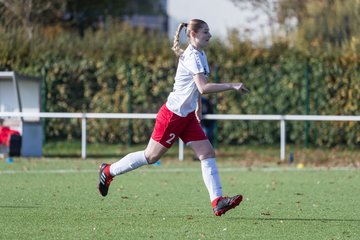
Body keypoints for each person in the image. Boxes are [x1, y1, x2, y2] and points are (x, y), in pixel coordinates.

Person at [98, 19, 249, 216]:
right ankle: (108, 171)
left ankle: (217, 201)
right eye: (205, 32)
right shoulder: (193, 56)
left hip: (186, 117)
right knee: (150, 157)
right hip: (173, 116)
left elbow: (195, 87)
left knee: (207, 153)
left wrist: (198, 107)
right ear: (193, 34)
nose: (209, 35)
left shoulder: (201, 54)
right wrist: (232, 85)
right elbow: (203, 88)